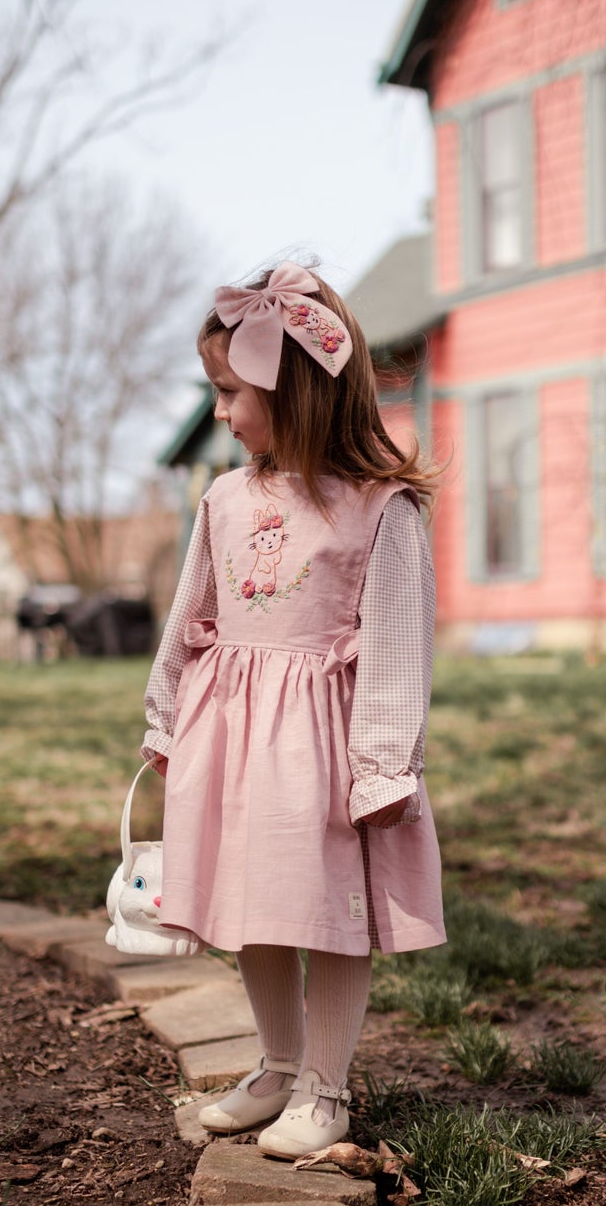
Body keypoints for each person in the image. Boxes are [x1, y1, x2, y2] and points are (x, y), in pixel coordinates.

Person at [141, 261, 445, 1158]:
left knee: (328, 908)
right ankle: (276, 1065)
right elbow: (189, 614)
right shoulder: (224, 499)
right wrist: (166, 715)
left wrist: (384, 763)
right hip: (233, 736)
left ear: (296, 390)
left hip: (322, 745)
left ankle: (325, 1086)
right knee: (255, 904)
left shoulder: (377, 509)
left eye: (233, 392)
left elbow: (397, 643)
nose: (223, 414)